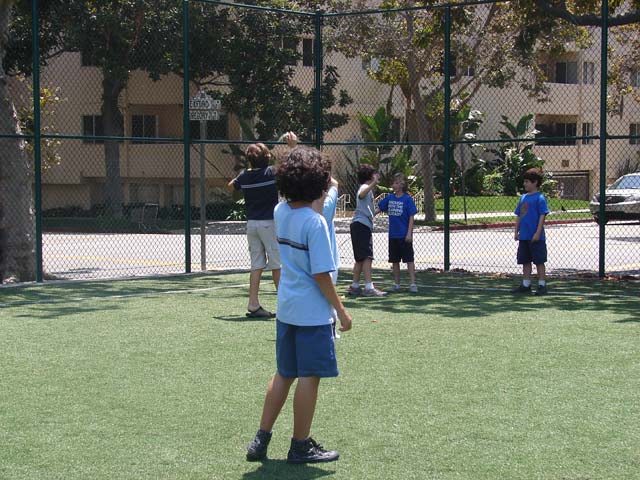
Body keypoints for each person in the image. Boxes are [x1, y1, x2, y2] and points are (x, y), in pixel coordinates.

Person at [246, 146, 352, 464]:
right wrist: (342, 311)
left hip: (287, 308)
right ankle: (300, 445)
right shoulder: (315, 223)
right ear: (317, 183)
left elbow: (305, 204)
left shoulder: (281, 211)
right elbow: (321, 274)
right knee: (309, 377)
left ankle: (261, 439)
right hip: (312, 314)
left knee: (284, 373)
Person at [227, 143, 281, 318]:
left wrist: (245, 175)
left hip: (252, 225)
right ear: (266, 158)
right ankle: (285, 304)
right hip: (269, 224)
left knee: (256, 265)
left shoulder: (245, 175)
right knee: (277, 264)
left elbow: (231, 185)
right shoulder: (272, 172)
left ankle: (253, 304)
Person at [511, 168, 550, 296]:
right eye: (525, 181)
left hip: (536, 237)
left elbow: (542, 216)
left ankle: (542, 285)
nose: (525, 184)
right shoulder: (523, 198)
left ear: (535, 182)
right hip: (524, 236)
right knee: (525, 261)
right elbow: (519, 215)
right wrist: (516, 231)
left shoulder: (540, 198)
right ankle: (526, 284)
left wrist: (537, 233)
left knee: (539, 261)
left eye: (527, 181)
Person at [348, 164, 386, 297]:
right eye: (375, 174)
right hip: (361, 226)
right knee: (367, 257)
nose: (377, 176)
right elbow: (361, 194)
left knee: (360, 258)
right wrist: (374, 184)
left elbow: (369, 212)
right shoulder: (364, 188)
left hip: (360, 225)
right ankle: (369, 287)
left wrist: (380, 209)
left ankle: (354, 286)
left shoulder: (367, 190)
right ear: (370, 176)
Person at [377, 173, 418, 293]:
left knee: (409, 260)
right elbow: (379, 208)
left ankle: (412, 284)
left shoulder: (407, 199)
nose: (394, 185)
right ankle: (397, 284)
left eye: (396, 183)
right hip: (393, 235)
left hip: (404, 235)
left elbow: (411, 217)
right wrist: (368, 215)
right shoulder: (390, 198)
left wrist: (409, 233)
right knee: (395, 261)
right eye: (394, 182)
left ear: (402, 185)